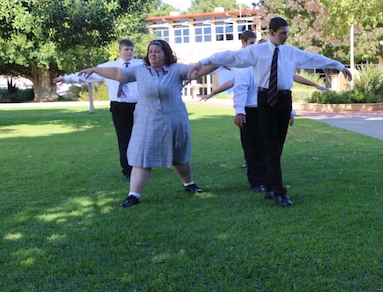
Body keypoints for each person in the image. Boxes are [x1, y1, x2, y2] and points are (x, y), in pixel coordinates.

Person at [188, 16, 352, 207]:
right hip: (265, 100)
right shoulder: (257, 51)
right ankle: (279, 192)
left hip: (284, 99)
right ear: (272, 33)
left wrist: (339, 66)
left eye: (287, 33)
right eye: (282, 33)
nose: (286, 37)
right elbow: (230, 56)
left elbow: (313, 58)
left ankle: (269, 185)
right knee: (272, 146)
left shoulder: (290, 52)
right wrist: (202, 62)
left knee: (278, 147)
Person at [75, 39, 204, 208]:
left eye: (157, 51)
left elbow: (196, 71)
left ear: (166, 54)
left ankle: (189, 184)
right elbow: (117, 73)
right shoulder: (140, 70)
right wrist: (94, 70)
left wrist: (214, 62)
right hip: (146, 121)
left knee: (179, 156)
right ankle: (133, 195)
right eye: (150, 51)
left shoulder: (176, 69)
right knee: (141, 157)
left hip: (174, 120)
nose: (153, 54)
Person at [199, 31, 327, 194]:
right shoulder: (245, 69)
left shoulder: (274, 67)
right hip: (250, 112)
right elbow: (239, 87)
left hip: (269, 110)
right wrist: (239, 111)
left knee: (270, 147)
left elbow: (284, 87)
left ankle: (269, 181)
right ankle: (256, 182)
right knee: (253, 148)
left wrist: (290, 112)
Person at [54, 39, 142, 180]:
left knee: (140, 139)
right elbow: (87, 75)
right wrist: (66, 78)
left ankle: (141, 168)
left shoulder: (141, 65)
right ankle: (128, 171)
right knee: (124, 139)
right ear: (119, 51)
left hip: (139, 106)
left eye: (132, 49)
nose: (129, 52)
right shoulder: (108, 67)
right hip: (119, 107)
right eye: (126, 49)